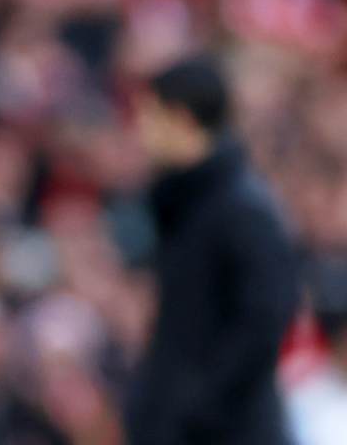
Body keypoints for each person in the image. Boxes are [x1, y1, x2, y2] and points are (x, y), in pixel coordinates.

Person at [125, 55, 299, 444]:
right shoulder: (186, 202)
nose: (139, 129)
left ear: (181, 118)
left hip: (223, 432)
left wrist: (198, 403)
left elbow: (264, 320)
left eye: (149, 115)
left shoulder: (241, 211)